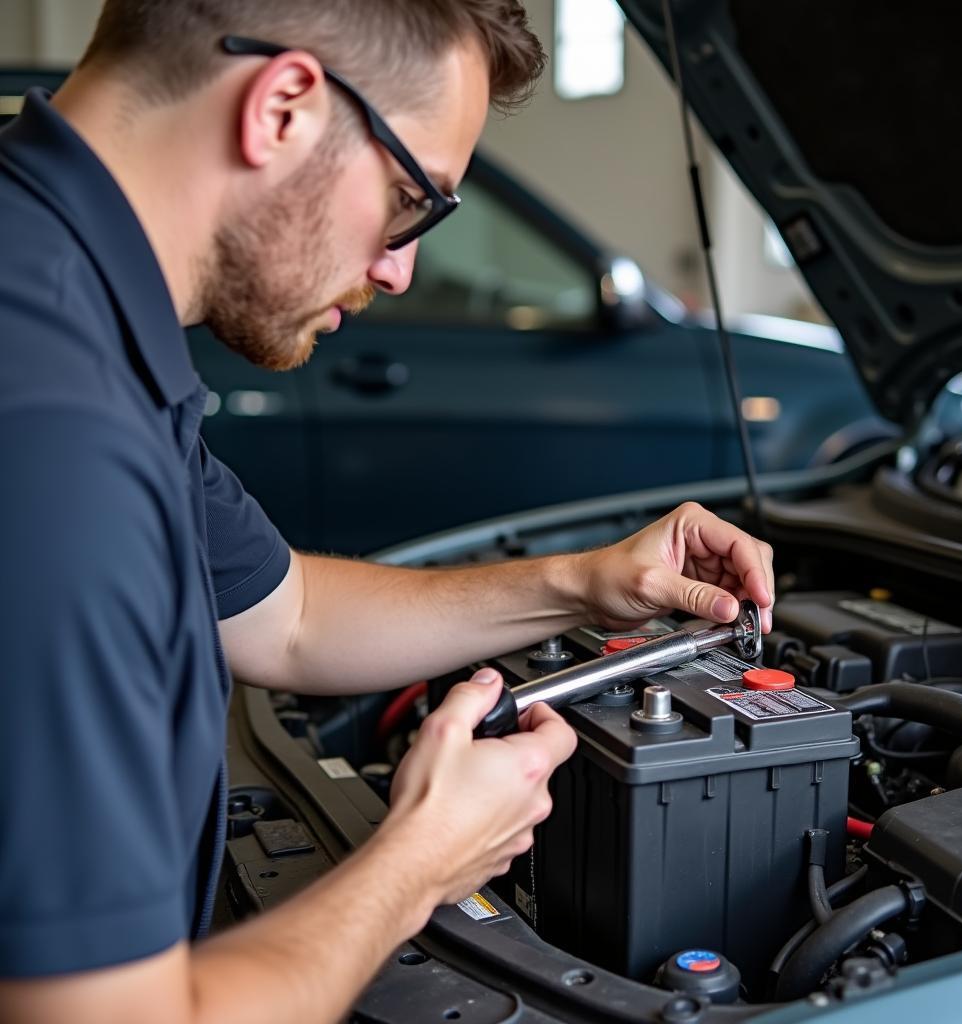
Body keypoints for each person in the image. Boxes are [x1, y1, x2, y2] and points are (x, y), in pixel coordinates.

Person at [0, 2, 775, 1021]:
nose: (397, 268)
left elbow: (287, 615)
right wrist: (418, 861)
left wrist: (588, 581)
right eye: (414, 201)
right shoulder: (56, 430)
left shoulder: (59, 292)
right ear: (282, 107)